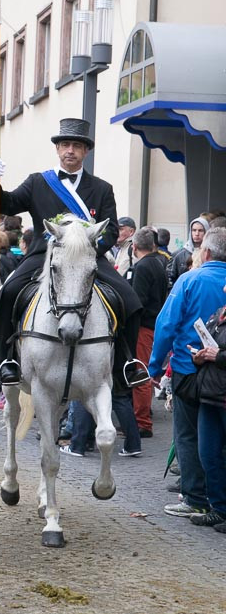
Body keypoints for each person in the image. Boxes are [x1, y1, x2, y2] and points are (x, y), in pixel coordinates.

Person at [0, 117, 148, 390]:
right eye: (65, 145)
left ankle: (125, 366)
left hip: (87, 258)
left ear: (86, 152)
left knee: (131, 301)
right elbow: (7, 203)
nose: (70, 150)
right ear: (57, 149)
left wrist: (85, 249)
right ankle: (7, 362)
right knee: (8, 292)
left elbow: (111, 230)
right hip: (43, 256)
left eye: (76, 146)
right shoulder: (38, 182)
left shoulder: (102, 188)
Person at [149, 226, 226, 518]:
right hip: (221, 369)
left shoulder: (190, 279)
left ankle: (195, 497)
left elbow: (166, 324)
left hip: (188, 369)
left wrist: (154, 366)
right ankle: (218, 500)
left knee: (189, 436)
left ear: (205, 252)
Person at [189, 298, 226, 531]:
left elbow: (219, 354)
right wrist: (199, 357)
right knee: (208, 455)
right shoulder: (219, 313)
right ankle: (219, 509)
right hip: (209, 395)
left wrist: (219, 356)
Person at [130, 227, 169, 437]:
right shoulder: (158, 262)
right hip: (154, 325)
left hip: (144, 327)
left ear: (134, 246)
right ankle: (141, 420)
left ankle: (142, 423)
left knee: (140, 374)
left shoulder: (143, 267)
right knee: (143, 372)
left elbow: (138, 301)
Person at [169, 216, 209, 288]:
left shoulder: (211, 254)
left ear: (206, 231)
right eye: (194, 230)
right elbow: (170, 278)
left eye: (200, 230)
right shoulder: (178, 254)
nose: (197, 234)